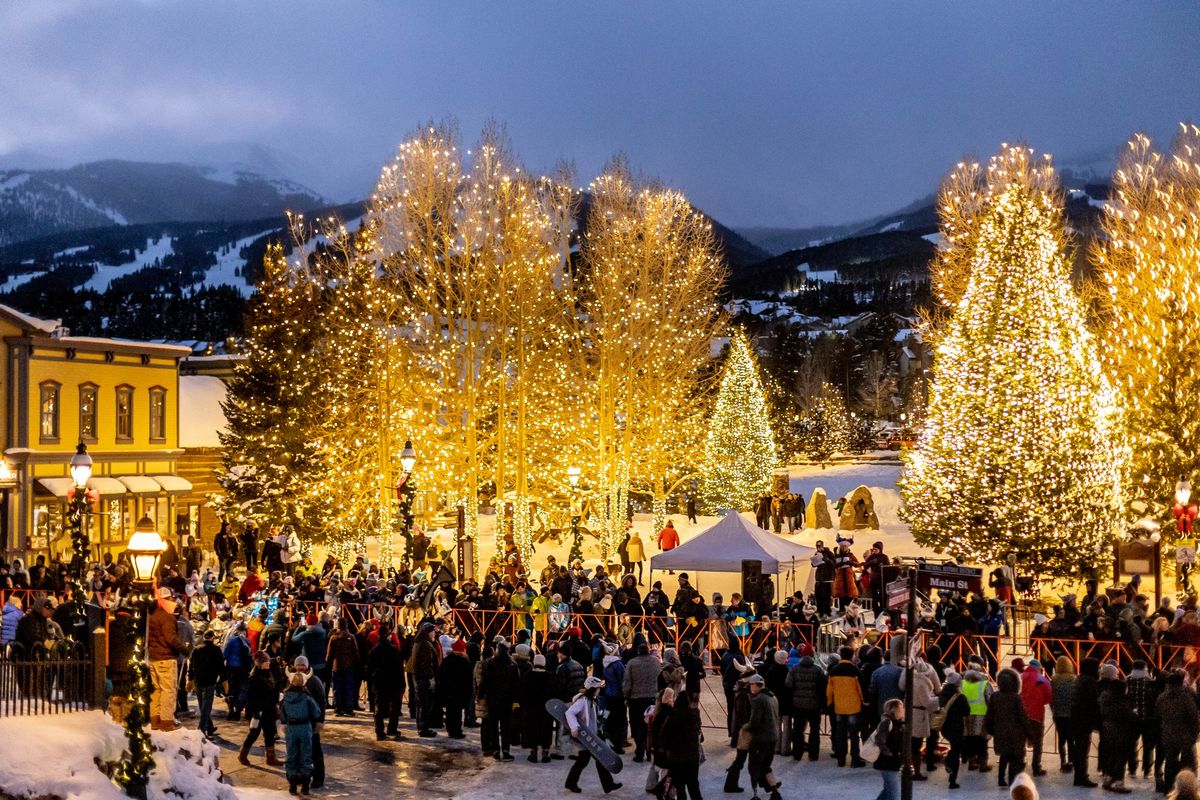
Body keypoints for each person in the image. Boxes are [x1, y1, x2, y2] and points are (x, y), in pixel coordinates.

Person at [564, 676, 622, 794]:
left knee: (597, 760)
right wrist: (574, 727)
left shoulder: (592, 700)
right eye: (597, 688)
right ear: (592, 689)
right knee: (583, 761)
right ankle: (571, 783)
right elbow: (569, 713)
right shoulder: (582, 701)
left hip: (592, 737)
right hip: (585, 738)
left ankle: (608, 785)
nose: (599, 690)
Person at [148, 588, 186, 731]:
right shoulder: (167, 617)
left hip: (154, 658)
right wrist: (183, 649)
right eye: (171, 599)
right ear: (165, 600)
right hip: (166, 658)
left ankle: (155, 721)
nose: (173, 601)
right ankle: (166, 723)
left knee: (156, 691)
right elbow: (171, 638)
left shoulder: (152, 616)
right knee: (168, 691)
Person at [986, 667, 1031, 788]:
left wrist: (990, 729)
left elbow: (989, 715)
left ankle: (1001, 778)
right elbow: (1023, 716)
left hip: (999, 732)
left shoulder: (995, 696)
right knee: (1014, 758)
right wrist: (1029, 732)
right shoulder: (1016, 697)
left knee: (1004, 755)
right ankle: (1012, 781)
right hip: (1015, 734)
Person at [280, 670, 322, 795]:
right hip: (305, 728)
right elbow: (316, 713)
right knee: (306, 756)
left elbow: (282, 716)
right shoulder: (307, 698)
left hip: (291, 729)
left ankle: (292, 784)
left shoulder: (286, 698)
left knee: (291, 755)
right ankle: (305, 785)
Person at [239, 650, 283, 767]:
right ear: (259, 663)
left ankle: (271, 758)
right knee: (254, 734)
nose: (267, 663)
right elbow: (252, 697)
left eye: (268, 660)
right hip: (258, 711)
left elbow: (275, 689)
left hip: (269, 709)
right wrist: (255, 712)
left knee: (269, 733)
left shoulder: (270, 673)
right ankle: (242, 755)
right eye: (264, 661)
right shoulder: (254, 677)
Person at [1158, 671, 1200, 792]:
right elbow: (1193, 717)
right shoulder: (1185, 697)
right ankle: (1188, 788)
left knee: (1170, 761)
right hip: (1185, 736)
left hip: (1168, 735)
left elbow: (1157, 715)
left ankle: (1169, 786)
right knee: (1188, 763)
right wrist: (1195, 734)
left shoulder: (1162, 697)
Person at [826, 646, 866, 767]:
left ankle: (841, 759)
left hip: (839, 706)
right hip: (854, 707)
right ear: (852, 656)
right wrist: (865, 702)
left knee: (840, 734)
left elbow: (829, 691)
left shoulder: (833, 671)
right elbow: (861, 688)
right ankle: (855, 759)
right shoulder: (855, 671)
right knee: (854, 735)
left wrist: (830, 703)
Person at [744, 673, 782, 800]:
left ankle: (755, 795)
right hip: (773, 736)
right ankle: (775, 792)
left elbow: (755, 722)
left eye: (750, 685)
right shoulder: (773, 697)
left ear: (755, 685)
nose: (750, 687)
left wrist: (746, 727)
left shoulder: (759, 700)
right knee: (766, 765)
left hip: (761, 738)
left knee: (753, 766)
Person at [291, 655, 327, 789]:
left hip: (311, 721)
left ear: (307, 666)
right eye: (298, 665)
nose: (300, 667)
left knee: (315, 751)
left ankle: (318, 777)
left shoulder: (314, 681)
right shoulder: (291, 679)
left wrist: (320, 721)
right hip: (296, 722)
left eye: (303, 665)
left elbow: (322, 701)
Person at [785, 645, 826, 761]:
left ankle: (797, 754)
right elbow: (822, 687)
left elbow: (788, 684)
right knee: (814, 730)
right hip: (814, 705)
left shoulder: (794, 669)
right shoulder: (818, 670)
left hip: (798, 704)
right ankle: (813, 754)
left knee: (798, 730)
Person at [480, 642, 520, 760]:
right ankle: (506, 750)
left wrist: (481, 694)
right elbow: (516, 684)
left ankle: (496, 750)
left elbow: (485, 680)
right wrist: (516, 699)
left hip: (493, 699)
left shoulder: (491, 663)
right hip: (506, 700)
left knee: (493, 726)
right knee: (505, 726)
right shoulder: (512, 664)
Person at [624, 642, 662, 762]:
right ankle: (649, 749)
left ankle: (639, 751)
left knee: (637, 725)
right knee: (649, 725)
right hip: (652, 698)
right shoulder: (656, 661)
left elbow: (627, 683)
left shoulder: (632, 663)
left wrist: (626, 697)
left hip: (636, 699)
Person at [661, 692, 702, 800]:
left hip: (676, 758)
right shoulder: (694, 715)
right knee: (693, 785)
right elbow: (699, 734)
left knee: (680, 787)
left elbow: (664, 737)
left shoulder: (672, 717)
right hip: (692, 757)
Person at [369, 622, 405, 741]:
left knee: (378, 707)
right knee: (395, 706)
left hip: (379, 682)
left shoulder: (374, 649)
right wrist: (402, 683)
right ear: (388, 635)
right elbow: (399, 668)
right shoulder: (393, 649)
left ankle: (379, 731)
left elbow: (370, 667)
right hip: (392, 682)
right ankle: (392, 729)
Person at [1018, 658, 1052, 776]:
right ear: (1038, 668)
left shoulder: (1020, 677)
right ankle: (1036, 767)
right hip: (1036, 715)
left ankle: (1019, 763)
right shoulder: (1042, 679)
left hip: (1021, 715)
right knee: (1037, 742)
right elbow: (1048, 696)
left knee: (1020, 740)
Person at [1071, 657, 1101, 788]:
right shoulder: (1090, 682)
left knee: (1080, 749)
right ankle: (1081, 776)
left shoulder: (1079, 679)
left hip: (1076, 719)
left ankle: (1080, 775)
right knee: (1083, 750)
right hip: (1084, 720)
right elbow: (1093, 703)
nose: (1099, 670)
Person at [189, 629, 226, 738]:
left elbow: (191, 666)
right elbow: (221, 666)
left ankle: (209, 727)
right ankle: (201, 730)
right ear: (212, 638)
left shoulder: (196, 650)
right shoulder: (216, 650)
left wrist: (190, 679)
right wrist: (224, 679)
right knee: (207, 707)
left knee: (203, 706)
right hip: (210, 681)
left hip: (198, 681)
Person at [938, 671, 970, 790]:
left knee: (954, 747)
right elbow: (967, 712)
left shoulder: (942, 694)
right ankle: (952, 779)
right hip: (956, 727)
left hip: (944, 727)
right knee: (956, 752)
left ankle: (949, 761)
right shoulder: (960, 697)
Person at [520, 652, 554, 761]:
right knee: (546, 729)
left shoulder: (528, 675)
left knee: (532, 728)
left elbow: (523, 692)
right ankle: (545, 752)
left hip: (531, 707)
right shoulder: (549, 676)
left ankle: (533, 752)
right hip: (546, 708)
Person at [871, 698, 906, 800]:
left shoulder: (898, 723)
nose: (903, 709)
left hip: (892, 763)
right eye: (901, 707)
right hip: (887, 764)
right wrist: (890, 754)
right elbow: (879, 740)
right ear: (894, 710)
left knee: (888, 791)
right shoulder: (887, 723)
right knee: (894, 795)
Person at [439, 638, 473, 739]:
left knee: (450, 710)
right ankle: (457, 731)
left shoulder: (447, 660)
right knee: (457, 712)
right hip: (460, 691)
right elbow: (469, 678)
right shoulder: (465, 661)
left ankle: (450, 729)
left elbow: (441, 675)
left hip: (448, 690)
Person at [326, 619, 360, 717]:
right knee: (349, 688)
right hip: (349, 666)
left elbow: (329, 654)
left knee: (337, 688)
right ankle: (349, 709)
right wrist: (358, 664)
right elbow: (355, 653)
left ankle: (338, 708)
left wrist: (328, 665)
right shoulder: (351, 637)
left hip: (336, 666)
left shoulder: (333, 638)